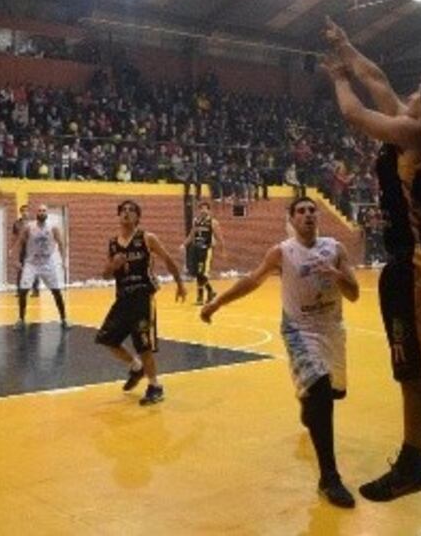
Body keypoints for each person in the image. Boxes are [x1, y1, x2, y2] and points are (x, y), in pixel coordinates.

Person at [322, 16, 421, 502]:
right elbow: (380, 82)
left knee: (412, 368)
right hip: (412, 258)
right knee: (410, 364)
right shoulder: (413, 131)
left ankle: (414, 461)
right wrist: (347, 46)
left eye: (417, 90)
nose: (408, 92)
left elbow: (356, 117)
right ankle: (414, 457)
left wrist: (340, 80)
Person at [201, 197, 358, 508]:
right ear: (291, 219)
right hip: (300, 331)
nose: (308, 215)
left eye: (313, 210)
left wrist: (337, 275)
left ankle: (307, 401)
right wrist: (217, 302)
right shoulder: (282, 252)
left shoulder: (335, 248)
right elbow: (251, 280)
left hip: (331, 330)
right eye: (301, 211)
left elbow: (353, 294)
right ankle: (329, 478)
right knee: (322, 392)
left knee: (330, 395)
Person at [96, 200, 187, 406]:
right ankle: (136, 366)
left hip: (143, 297)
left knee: (144, 345)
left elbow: (169, 260)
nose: (126, 214)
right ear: (118, 216)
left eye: (131, 210)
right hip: (123, 298)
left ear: (138, 217)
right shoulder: (113, 243)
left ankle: (155, 385)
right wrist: (113, 265)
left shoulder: (147, 238)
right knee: (107, 339)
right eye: (123, 211)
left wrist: (180, 284)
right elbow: (105, 275)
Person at [10, 204, 68, 330]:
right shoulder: (29, 227)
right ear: (36, 213)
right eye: (39, 210)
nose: (41, 212)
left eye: (44, 211)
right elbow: (20, 243)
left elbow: (61, 244)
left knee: (56, 291)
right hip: (31, 263)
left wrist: (63, 261)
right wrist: (15, 260)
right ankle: (21, 319)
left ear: (47, 213)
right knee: (23, 291)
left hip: (47, 263)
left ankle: (64, 319)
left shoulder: (53, 227)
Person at [180, 200, 225, 305]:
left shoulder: (213, 222)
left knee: (202, 273)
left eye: (205, 208)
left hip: (206, 250)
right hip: (196, 250)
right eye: (201, 208)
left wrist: (223, 250)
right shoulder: (196, 221)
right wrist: (184, 245)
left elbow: (220, 237)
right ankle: (210, 292)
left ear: (209, 210)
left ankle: (201, 297)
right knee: (197, 273)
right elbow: (191, 235)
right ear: (198, 210)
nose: (203, 210)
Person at [11, 204, 39, 297]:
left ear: (29, 212)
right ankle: (20, 291)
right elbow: (14, 237)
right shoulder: (16, 223)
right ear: (21, 212)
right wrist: (12, 248)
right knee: (20, 270)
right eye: (23, 211)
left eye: (26, 211)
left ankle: (35, 290)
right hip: (21, 249)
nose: (25, 213)